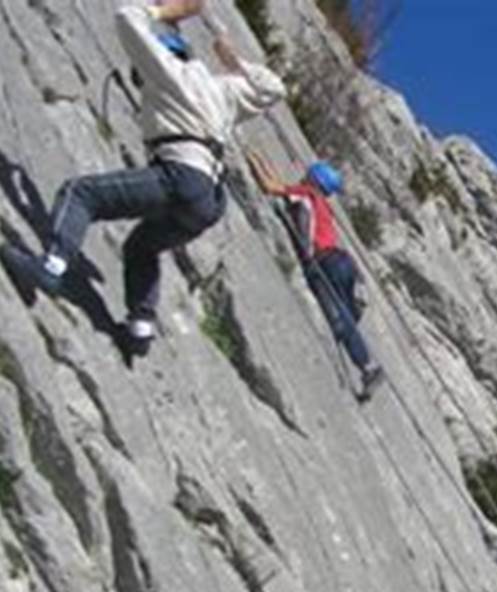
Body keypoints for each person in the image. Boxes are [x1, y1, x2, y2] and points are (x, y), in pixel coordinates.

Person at [0, 1, 285, 356]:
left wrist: (165, 12)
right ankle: (140, 329)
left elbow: (126, 18)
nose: (139, 77)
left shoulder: (167, 71)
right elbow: (273, 88)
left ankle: (50, 266)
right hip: (209, 202)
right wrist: (231, 55)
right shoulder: (223, 91)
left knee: (81, 194)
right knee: (142, 247)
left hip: (181, 176)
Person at [245, 150, 383, 401]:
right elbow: (281, 185)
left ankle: (369, 367)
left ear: (313, 179)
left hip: (324, 263)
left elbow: (270, 186)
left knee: (339, 320)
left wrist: (251, 158)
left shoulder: (306, 194)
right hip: (341, 262)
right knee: (345, 314)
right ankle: (363, 352)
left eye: (307, 174)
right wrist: (260, 157)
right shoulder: (319, 202)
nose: (302, 176)